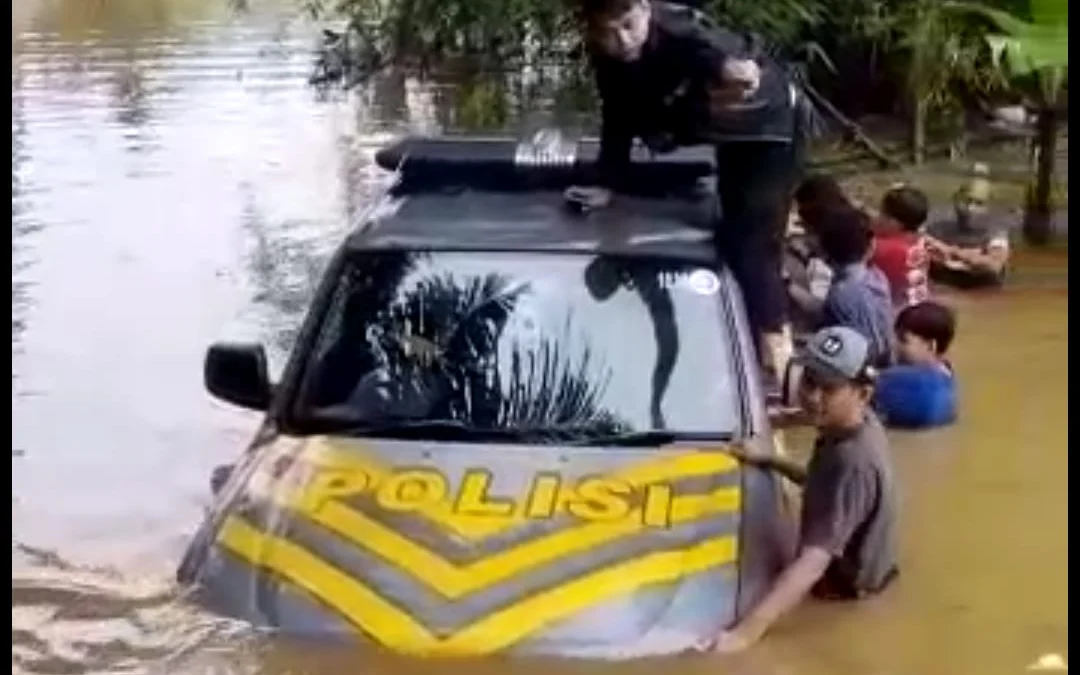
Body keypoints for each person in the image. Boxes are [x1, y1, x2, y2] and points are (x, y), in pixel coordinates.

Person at [567, 0, 808, 377]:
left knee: (751, 243)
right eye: (607, 32)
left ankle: (782, 359)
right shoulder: (608, 55)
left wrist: (732, 70)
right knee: (729, 227)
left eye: (628, 25)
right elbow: (616, 115)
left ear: (646, 9)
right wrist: (608, 185)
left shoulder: (679, 29)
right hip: (718, 130)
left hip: (765, 127)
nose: (622, 39)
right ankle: (755, 327)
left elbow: (708, 52)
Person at [693, 325, 899, 653]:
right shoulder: (856, 423)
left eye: (828, 388)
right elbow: (821, 484)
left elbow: (813, 561)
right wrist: (770, 459)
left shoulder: (853, 462)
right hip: (857, 564)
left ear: (863, 394)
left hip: (841, 591)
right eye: (809, 381)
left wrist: (745, 635)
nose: (813, 396)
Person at [787, 207, 894, 366]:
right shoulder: (876, 277)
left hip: (857, 365)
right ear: (871, 246)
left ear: (823, 253)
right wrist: (789, 285)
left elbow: (859, 349)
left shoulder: (842, 293)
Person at [874, 301, 958, 429]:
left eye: (903, 340)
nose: (895, 346)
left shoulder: (907, 382)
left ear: (930, 346)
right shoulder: (946, 372)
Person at [925, 164, 1011, 289]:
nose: (970, 208)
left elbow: (993, 266)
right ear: (956, 201)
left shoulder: (996, 233)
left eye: (979, 203)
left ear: (988, 207)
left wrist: (951, 251)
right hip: (945, 286)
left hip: (982, 290)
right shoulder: (938, 229)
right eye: (966, 201)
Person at [870, 184, 931, 309]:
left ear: (894, 223)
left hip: (895, 315)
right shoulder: (921, 241)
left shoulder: (882, 249)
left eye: (882, 214)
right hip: (919, 307)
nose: (878, 217)